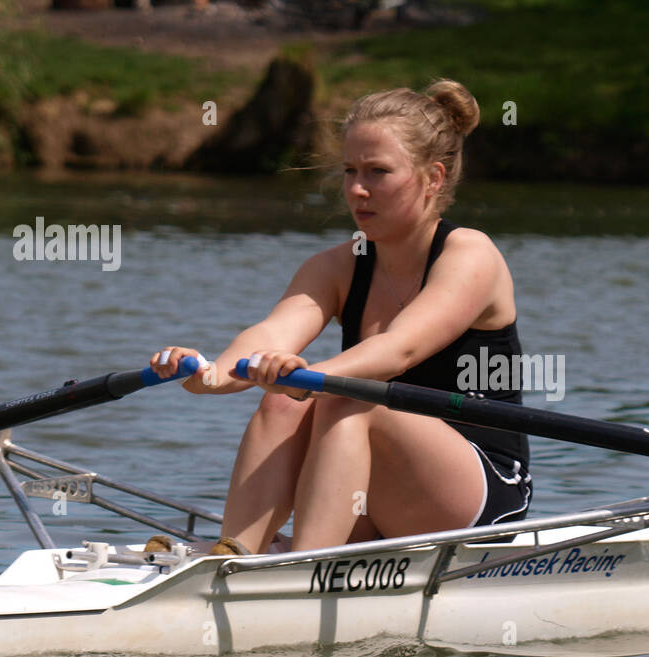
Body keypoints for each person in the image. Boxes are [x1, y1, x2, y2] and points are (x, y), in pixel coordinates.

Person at [149, 80, 532, 556]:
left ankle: (303, 568)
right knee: (284, 402)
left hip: (477, 495)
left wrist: (308, 377)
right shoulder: (336, 265)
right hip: (373, 493)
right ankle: (235, 555)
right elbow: (271, 333)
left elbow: (400, 349)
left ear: (433, 178)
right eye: (350, 170)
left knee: (341, 397)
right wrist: (209, 374)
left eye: (378, 172)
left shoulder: (470, 254)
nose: (356, 189)